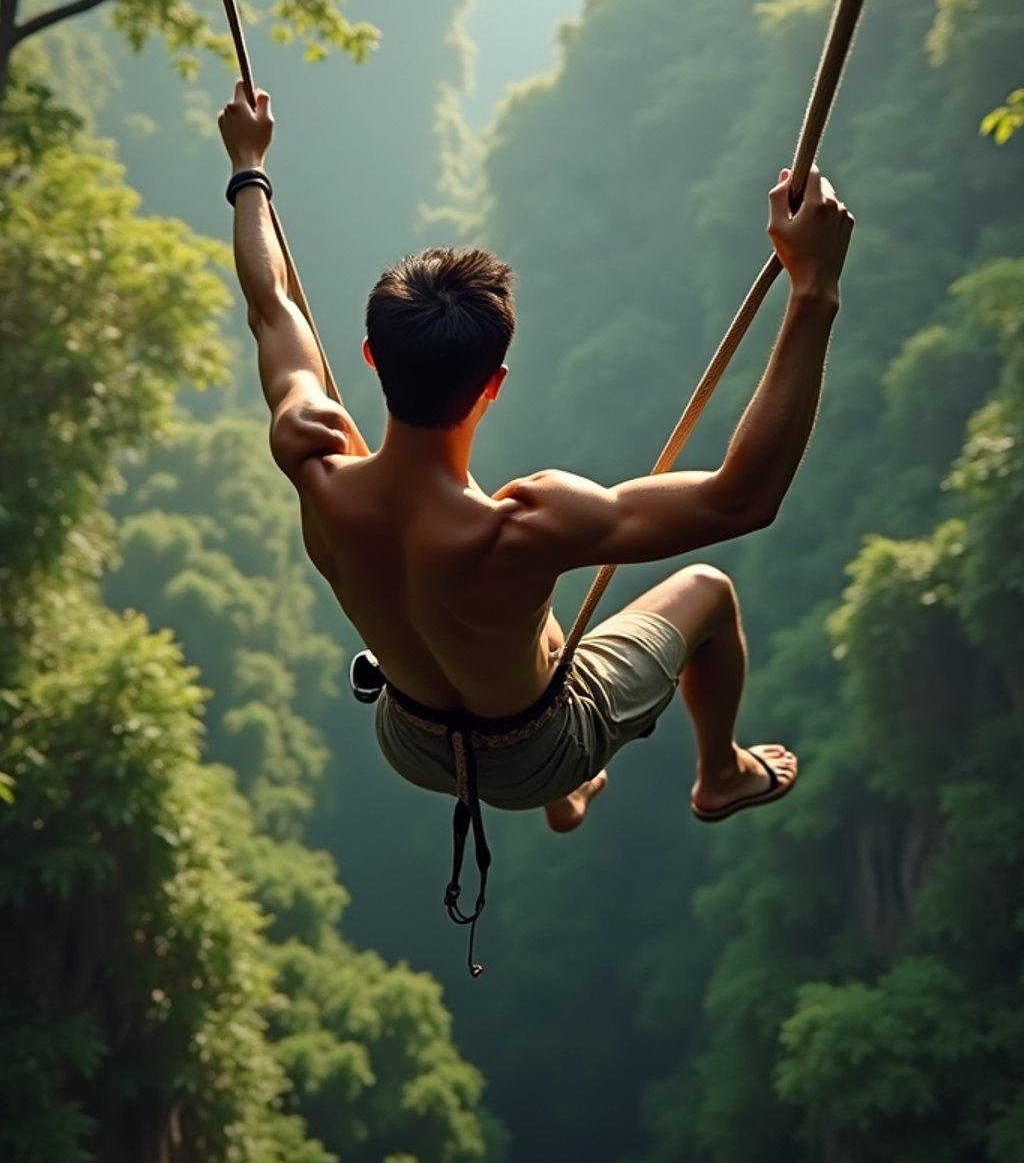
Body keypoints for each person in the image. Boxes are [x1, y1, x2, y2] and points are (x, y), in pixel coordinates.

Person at [219, 81, 853, 845]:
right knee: (708, 593)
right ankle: (719, 774)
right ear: (494, 384)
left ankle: (575, 778)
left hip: (411, 744)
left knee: (518, 640)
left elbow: (271, 306)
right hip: (534, 756)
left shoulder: (313, 457)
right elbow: (740, 500)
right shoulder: (529, 526)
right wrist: (812, 290)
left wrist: (248, 165)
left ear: (370, 360)